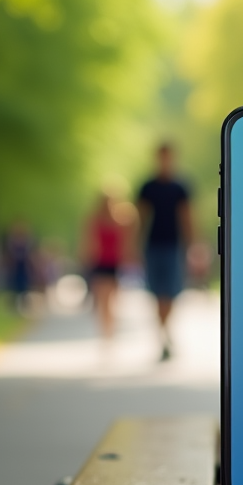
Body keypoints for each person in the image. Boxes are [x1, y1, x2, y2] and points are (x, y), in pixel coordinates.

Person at [137, 143, 193, 360]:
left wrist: (192, 245)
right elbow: (140, 218)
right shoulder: (148, 186)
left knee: (171, 293)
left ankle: (165, 332)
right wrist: (133, 246)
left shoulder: (181, 187)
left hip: (174, 246)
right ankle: (163, 335)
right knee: (157, 293)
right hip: (153, 246)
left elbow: (187, 217)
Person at [81, 193, 135, 338]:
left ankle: (110, 330)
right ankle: (105, 331)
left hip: (115, 264)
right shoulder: (94, 220)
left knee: (112, 300)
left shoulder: (121, 221)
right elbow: (88, 241)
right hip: (99, 263)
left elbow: (127, 242)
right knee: (102, 300)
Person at [3, 220, 37, 314]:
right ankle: (14, 305)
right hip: (15, 267)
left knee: (24, 286)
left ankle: (24, 305)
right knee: (14, 285)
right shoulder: (11, 242)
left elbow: (31, 255)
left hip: (24, 267)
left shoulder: (28, 242)